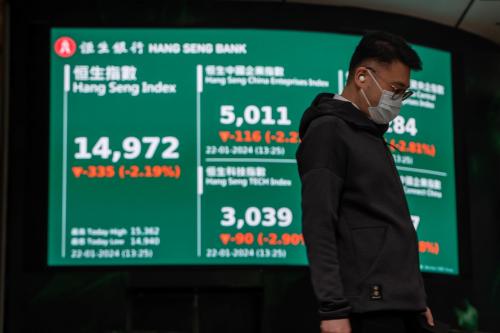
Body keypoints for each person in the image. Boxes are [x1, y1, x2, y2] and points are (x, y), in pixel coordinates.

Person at [295, 31, 436, 333]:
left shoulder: (370, 135)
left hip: (402, 305)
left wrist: (415, 298)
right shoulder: (328, 131)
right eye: (395, 90)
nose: (398, 101)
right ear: (362, 76)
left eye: (403, 93)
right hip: (366, 310)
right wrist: (332, 308)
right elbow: (319, 224)